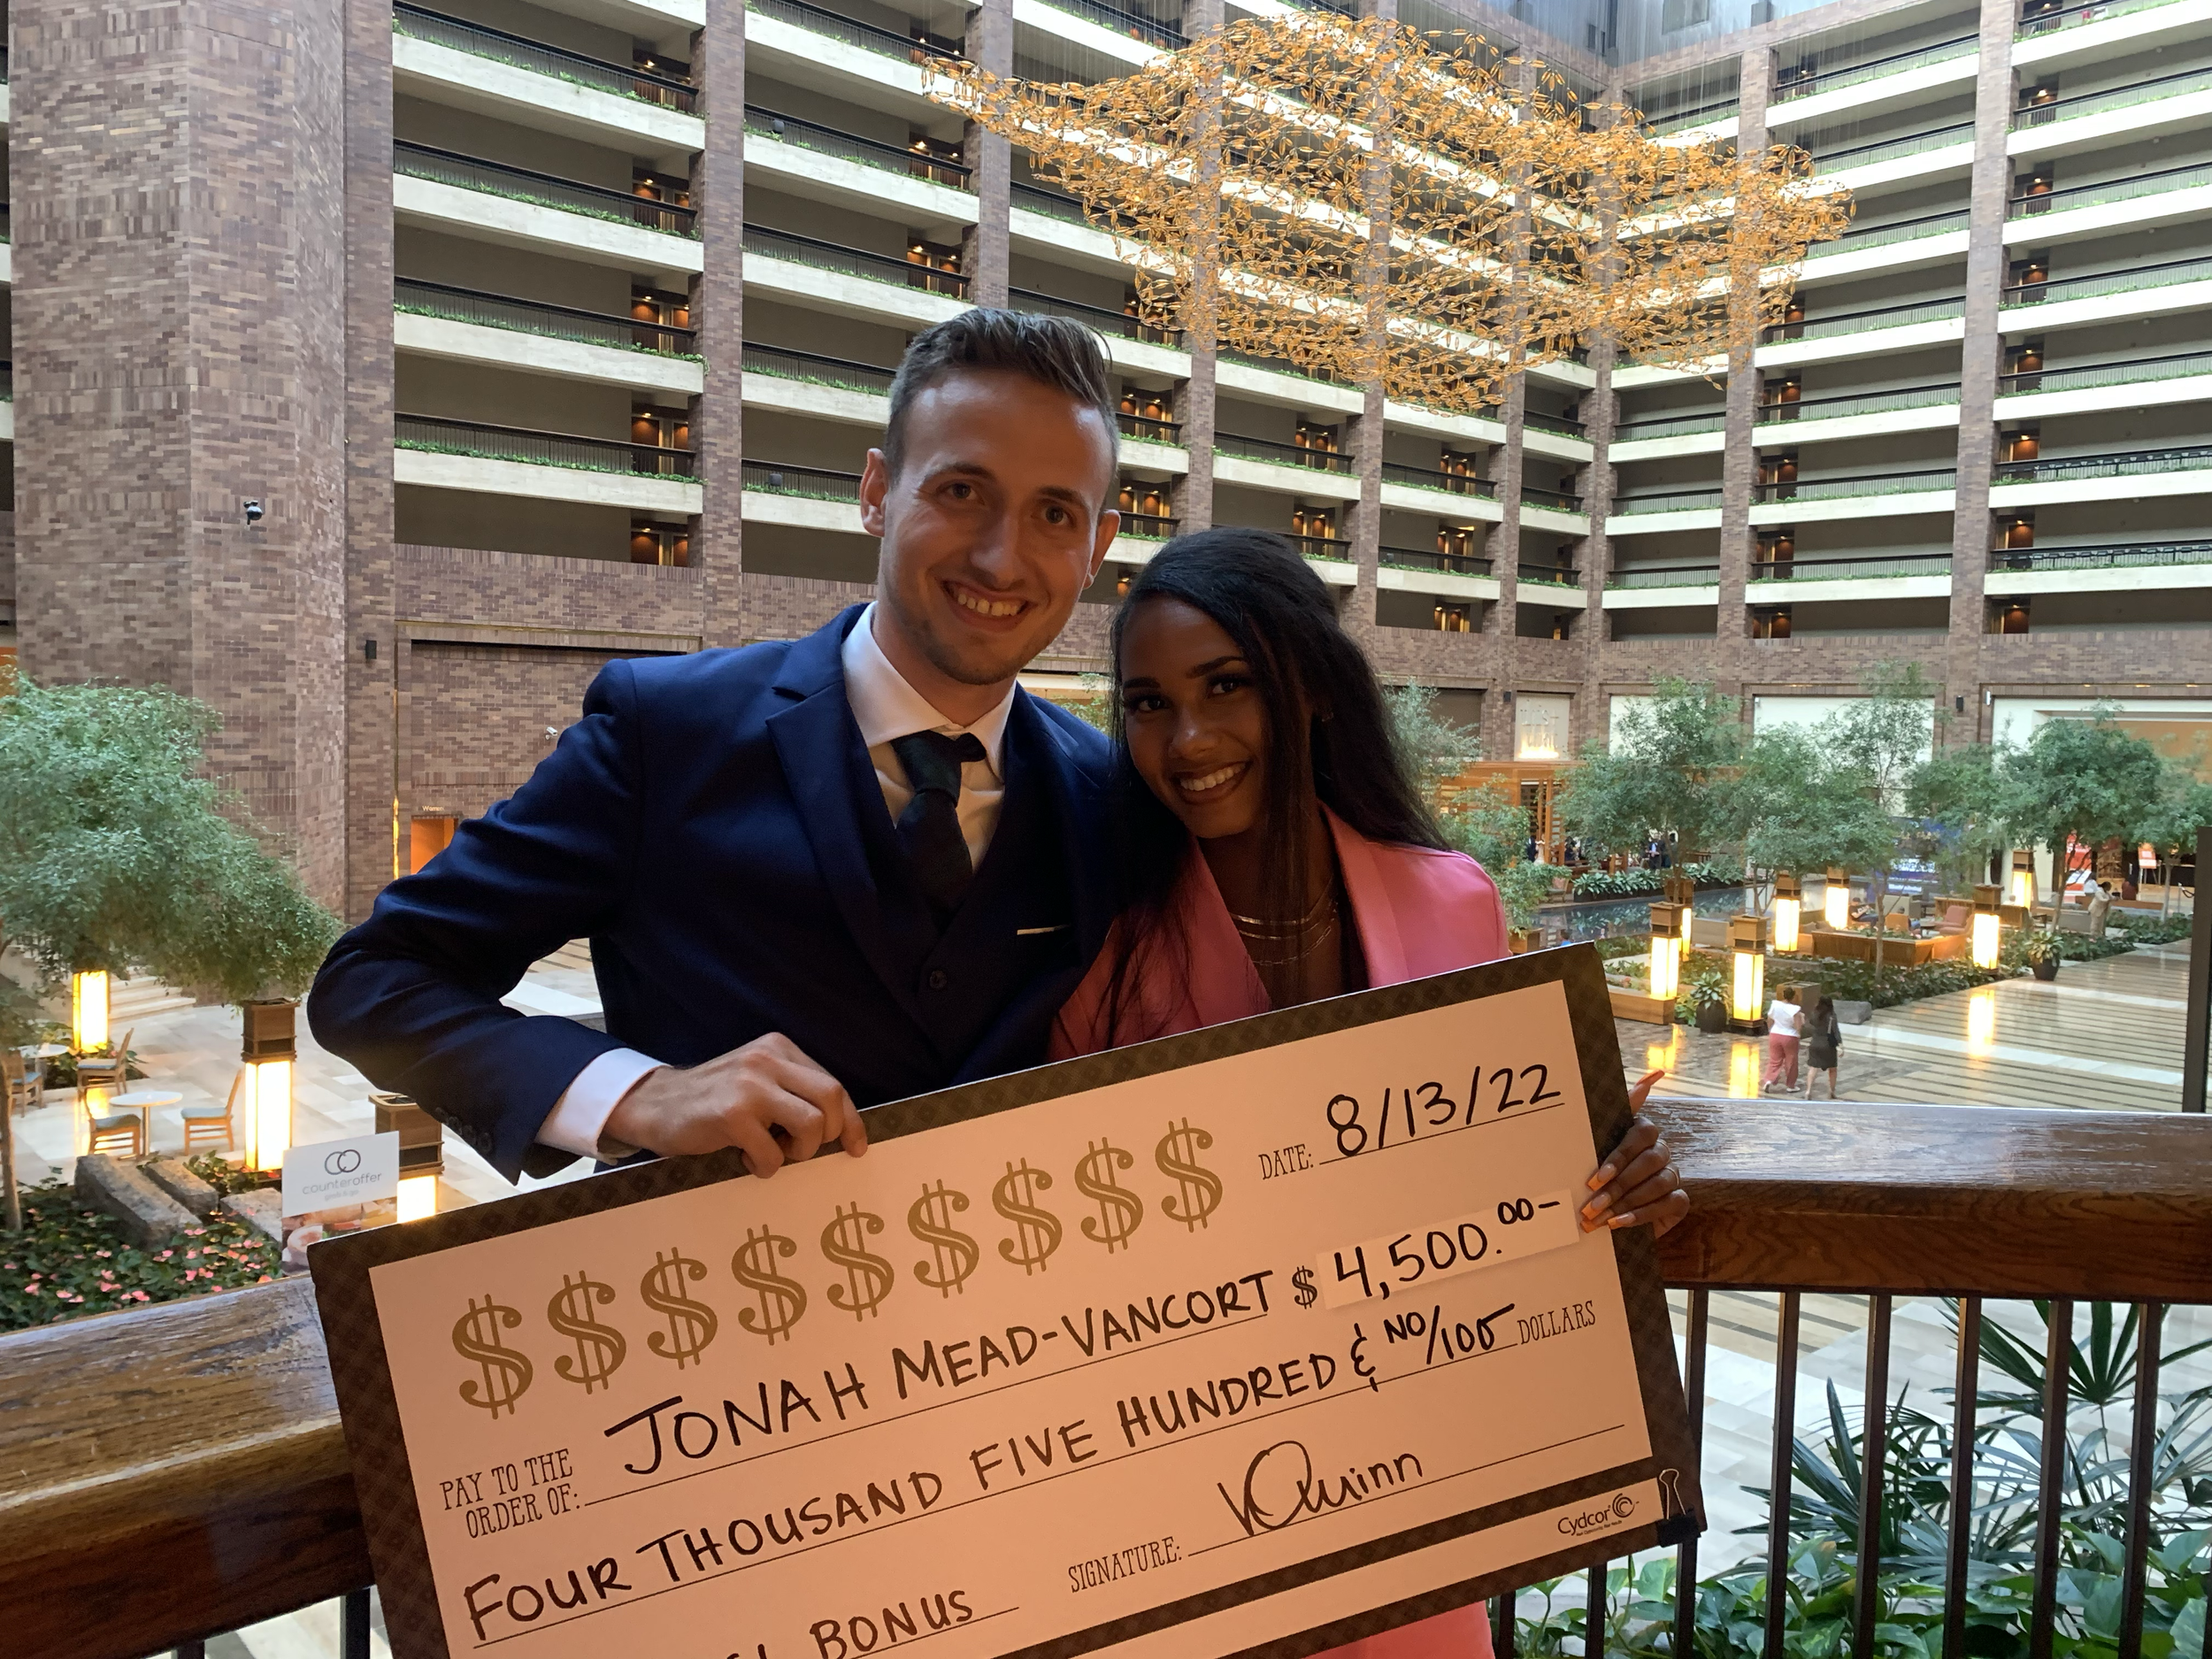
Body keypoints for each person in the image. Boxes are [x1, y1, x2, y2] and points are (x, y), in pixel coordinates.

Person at [1047, 529, 1689, 1659]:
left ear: (1309, 691)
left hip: (1410, 1490)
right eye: (1147, 703)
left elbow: (1501, 1187)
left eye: (1226, 685)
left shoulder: (1454, 902)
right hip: (1188, 1501)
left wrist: (1608, 1172)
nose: (1186, 738)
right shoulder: (1101, 947)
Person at [310, 310, 1132, 1181]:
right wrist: (635, 1095)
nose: (1004, 560)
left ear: (1096, 549)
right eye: (961, 491)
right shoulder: (663, 732)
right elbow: (373, 980)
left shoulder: (1107, 795)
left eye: (1053, 514)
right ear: (876, 493)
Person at [1801, 987, 1841, 1099]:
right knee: (1832, 1069)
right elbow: (1836, 1031)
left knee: (1813, 1068)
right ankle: (1832, 1091)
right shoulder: (1832, 1016)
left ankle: (1808, 1091)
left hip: (1815, 1043)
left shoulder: (1815, 1014)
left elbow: (1810, 1024)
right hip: (1828, 1045)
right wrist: (1841, 1045)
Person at [1763, 984, 1801, 1094]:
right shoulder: (1795, 1009)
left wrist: (1771, 1030)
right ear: (1793, 997)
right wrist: (1798, 1035)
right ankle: (1790, 1085)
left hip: (1775, 1034)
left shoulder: (1775, 1005)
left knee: (1774, 1060)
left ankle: (1769, 1080)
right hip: (1790, 1036)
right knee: (1791, 1061)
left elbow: (1769, 1019)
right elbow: (1798, 1025)